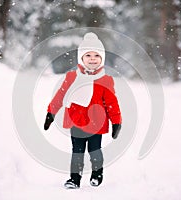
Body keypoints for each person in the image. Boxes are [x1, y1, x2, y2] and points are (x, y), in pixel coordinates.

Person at [44, 32, 122, 189]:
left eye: (96, 56)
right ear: (81, 58)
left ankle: (96, 173)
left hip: (97, 124)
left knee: (95, 151)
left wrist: (116, 122)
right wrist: (51, 112)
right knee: (77, 152)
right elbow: (61, 95)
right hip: (77, 122)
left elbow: (112, 103)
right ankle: (74, 179)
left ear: (102, 59)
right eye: (88, 55)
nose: (92, 59)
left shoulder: (105, 80)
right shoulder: (72, 77)